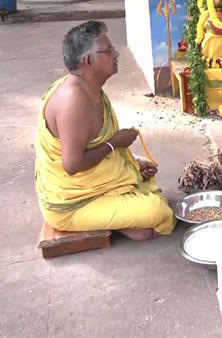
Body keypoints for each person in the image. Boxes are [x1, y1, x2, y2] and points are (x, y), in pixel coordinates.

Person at [35, 21, 176, 240]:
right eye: (108, 50)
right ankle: (115, 222)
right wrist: (115, 143)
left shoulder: (90, 88)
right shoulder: (73, 100)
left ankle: (118, 218)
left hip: (92, 185)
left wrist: (134, 161)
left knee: (146, 182)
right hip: (72, 203)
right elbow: (71, 165)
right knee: (158, 211)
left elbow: (90, 143)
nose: (115, 54)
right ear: (88, 60)